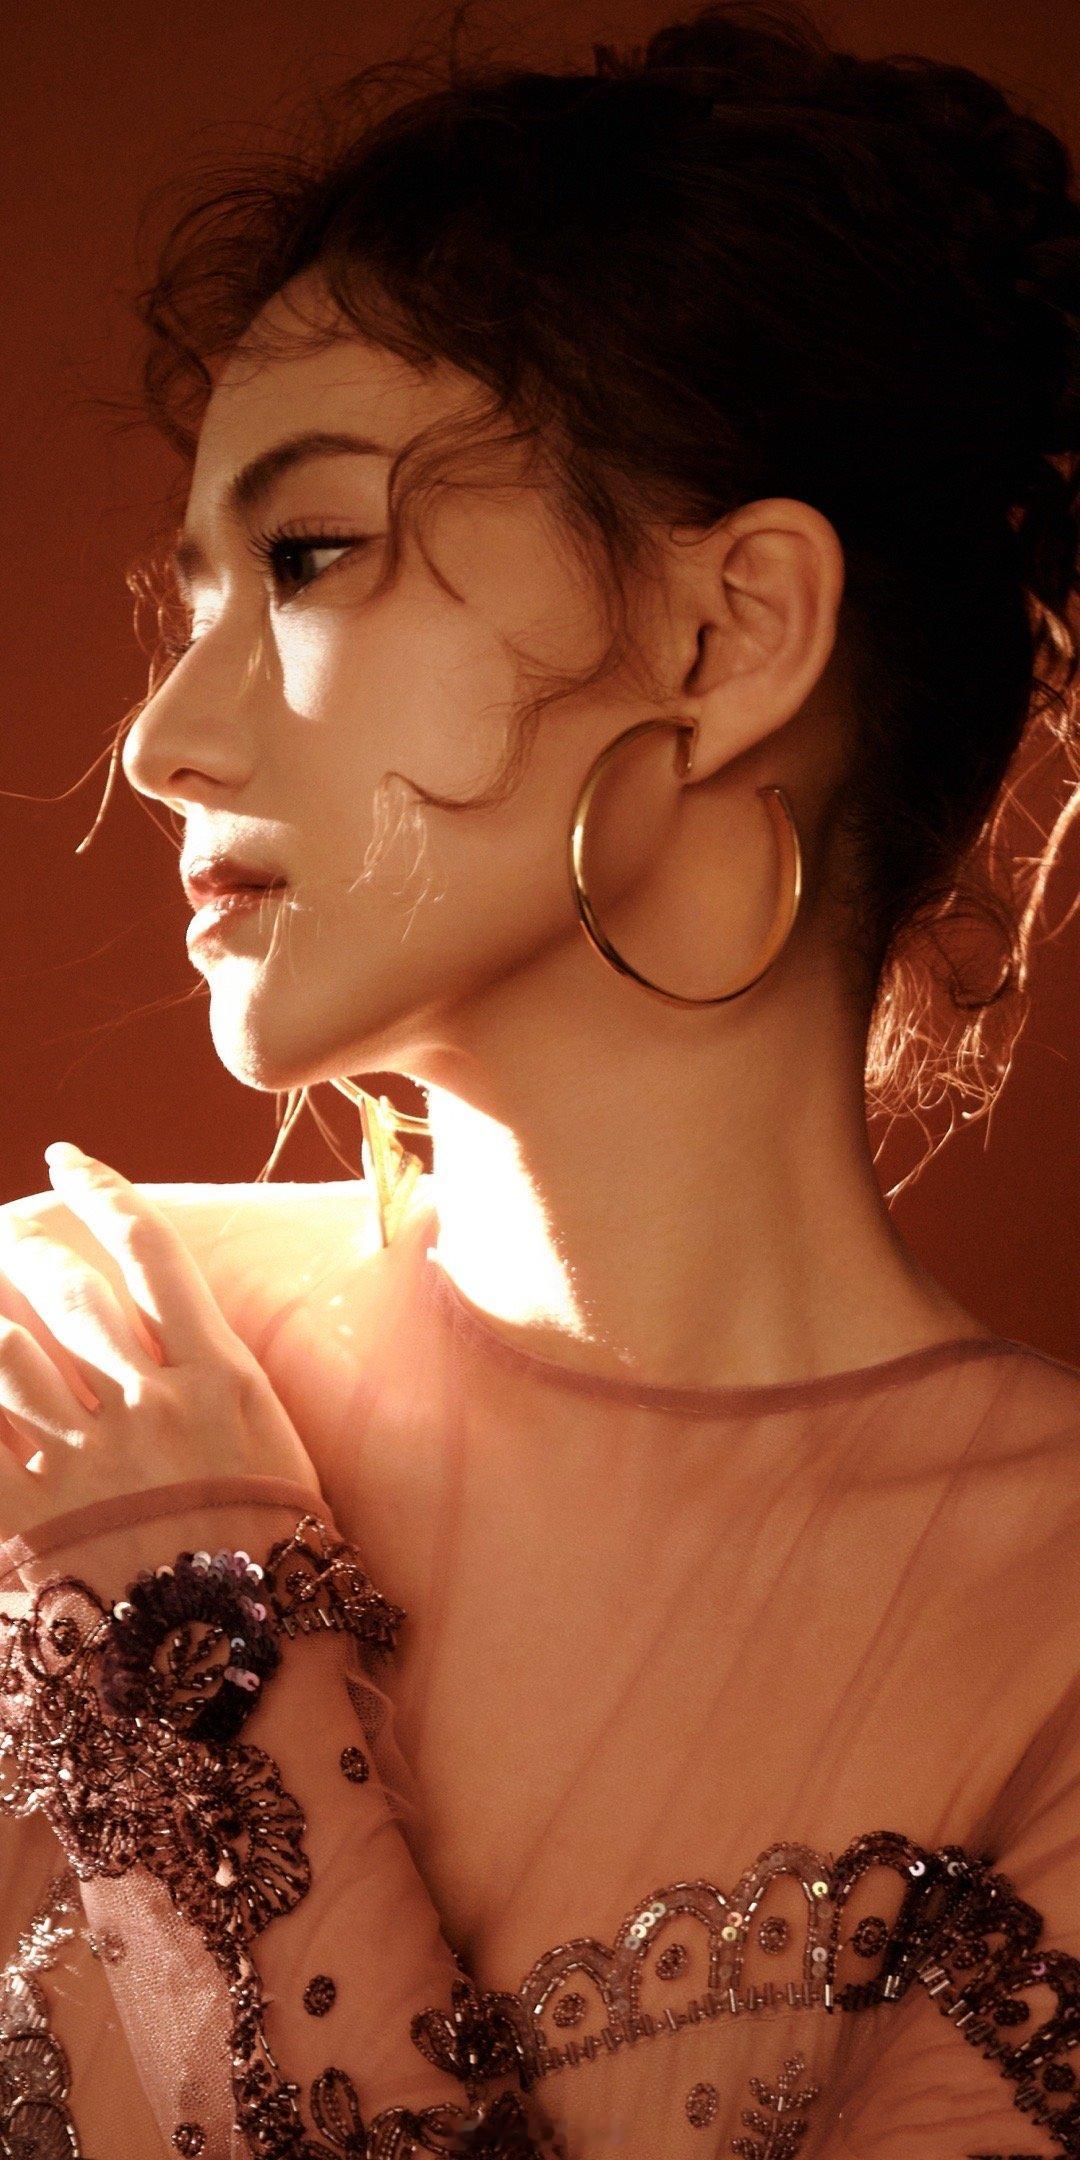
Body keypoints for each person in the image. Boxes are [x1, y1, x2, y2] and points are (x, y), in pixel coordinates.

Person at [1, 2, 1079, 2153]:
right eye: (190, 596)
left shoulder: (1049, 1628)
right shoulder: (69, 1349)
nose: (167, 742)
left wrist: (202, 1656)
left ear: (725, 636)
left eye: (308, 558)